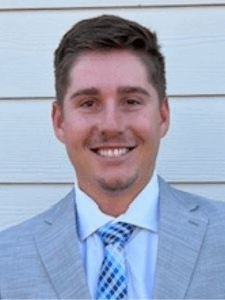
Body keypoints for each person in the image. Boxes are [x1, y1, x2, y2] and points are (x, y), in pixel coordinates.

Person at [0, 14, 225, 300]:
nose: (111, 125)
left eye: (131, 101)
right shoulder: (5, 260)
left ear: (163, 116)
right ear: (59, 121)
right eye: (89, 103)